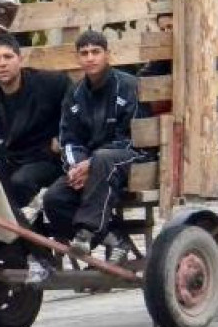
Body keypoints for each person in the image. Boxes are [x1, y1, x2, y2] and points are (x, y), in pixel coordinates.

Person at [42, 30, 143, 264]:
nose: (90, 58)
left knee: (104, 158)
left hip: (130, 156)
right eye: (84, 53)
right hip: (91, 165)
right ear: (78, 58)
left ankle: (86, 232)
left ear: (107, 55)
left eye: (96, 52)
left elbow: (133, 136)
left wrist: (92, 163)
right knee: (54, 198)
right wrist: (77, 166)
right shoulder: (75, 94)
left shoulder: (128, 86)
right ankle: (115, 239)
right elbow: (69, 139)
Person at [0, 34, 71, 209]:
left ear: (20, 59)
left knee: (20, 181)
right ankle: (11, 229)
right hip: (9, 160)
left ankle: (28, 226)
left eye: (8, 57)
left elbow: (76, 109)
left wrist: (63, 137)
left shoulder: (50, 83)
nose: (2, 63)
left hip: (48, 159)